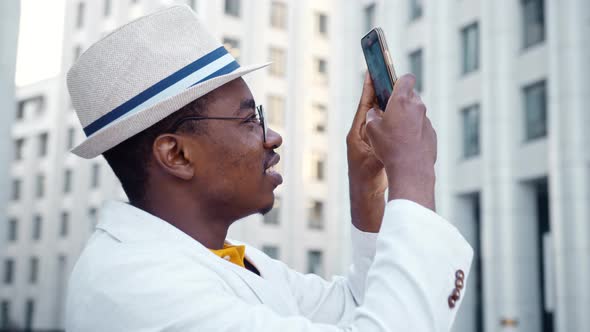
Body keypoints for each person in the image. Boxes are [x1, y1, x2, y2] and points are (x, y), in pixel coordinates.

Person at [65, 5, 473, 332]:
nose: (272, 136)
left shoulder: (220, 260)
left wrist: (368, 190)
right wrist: (413, 172)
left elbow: (358, 309)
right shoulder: (138, 288)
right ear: (177, 155)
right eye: (249, 119)